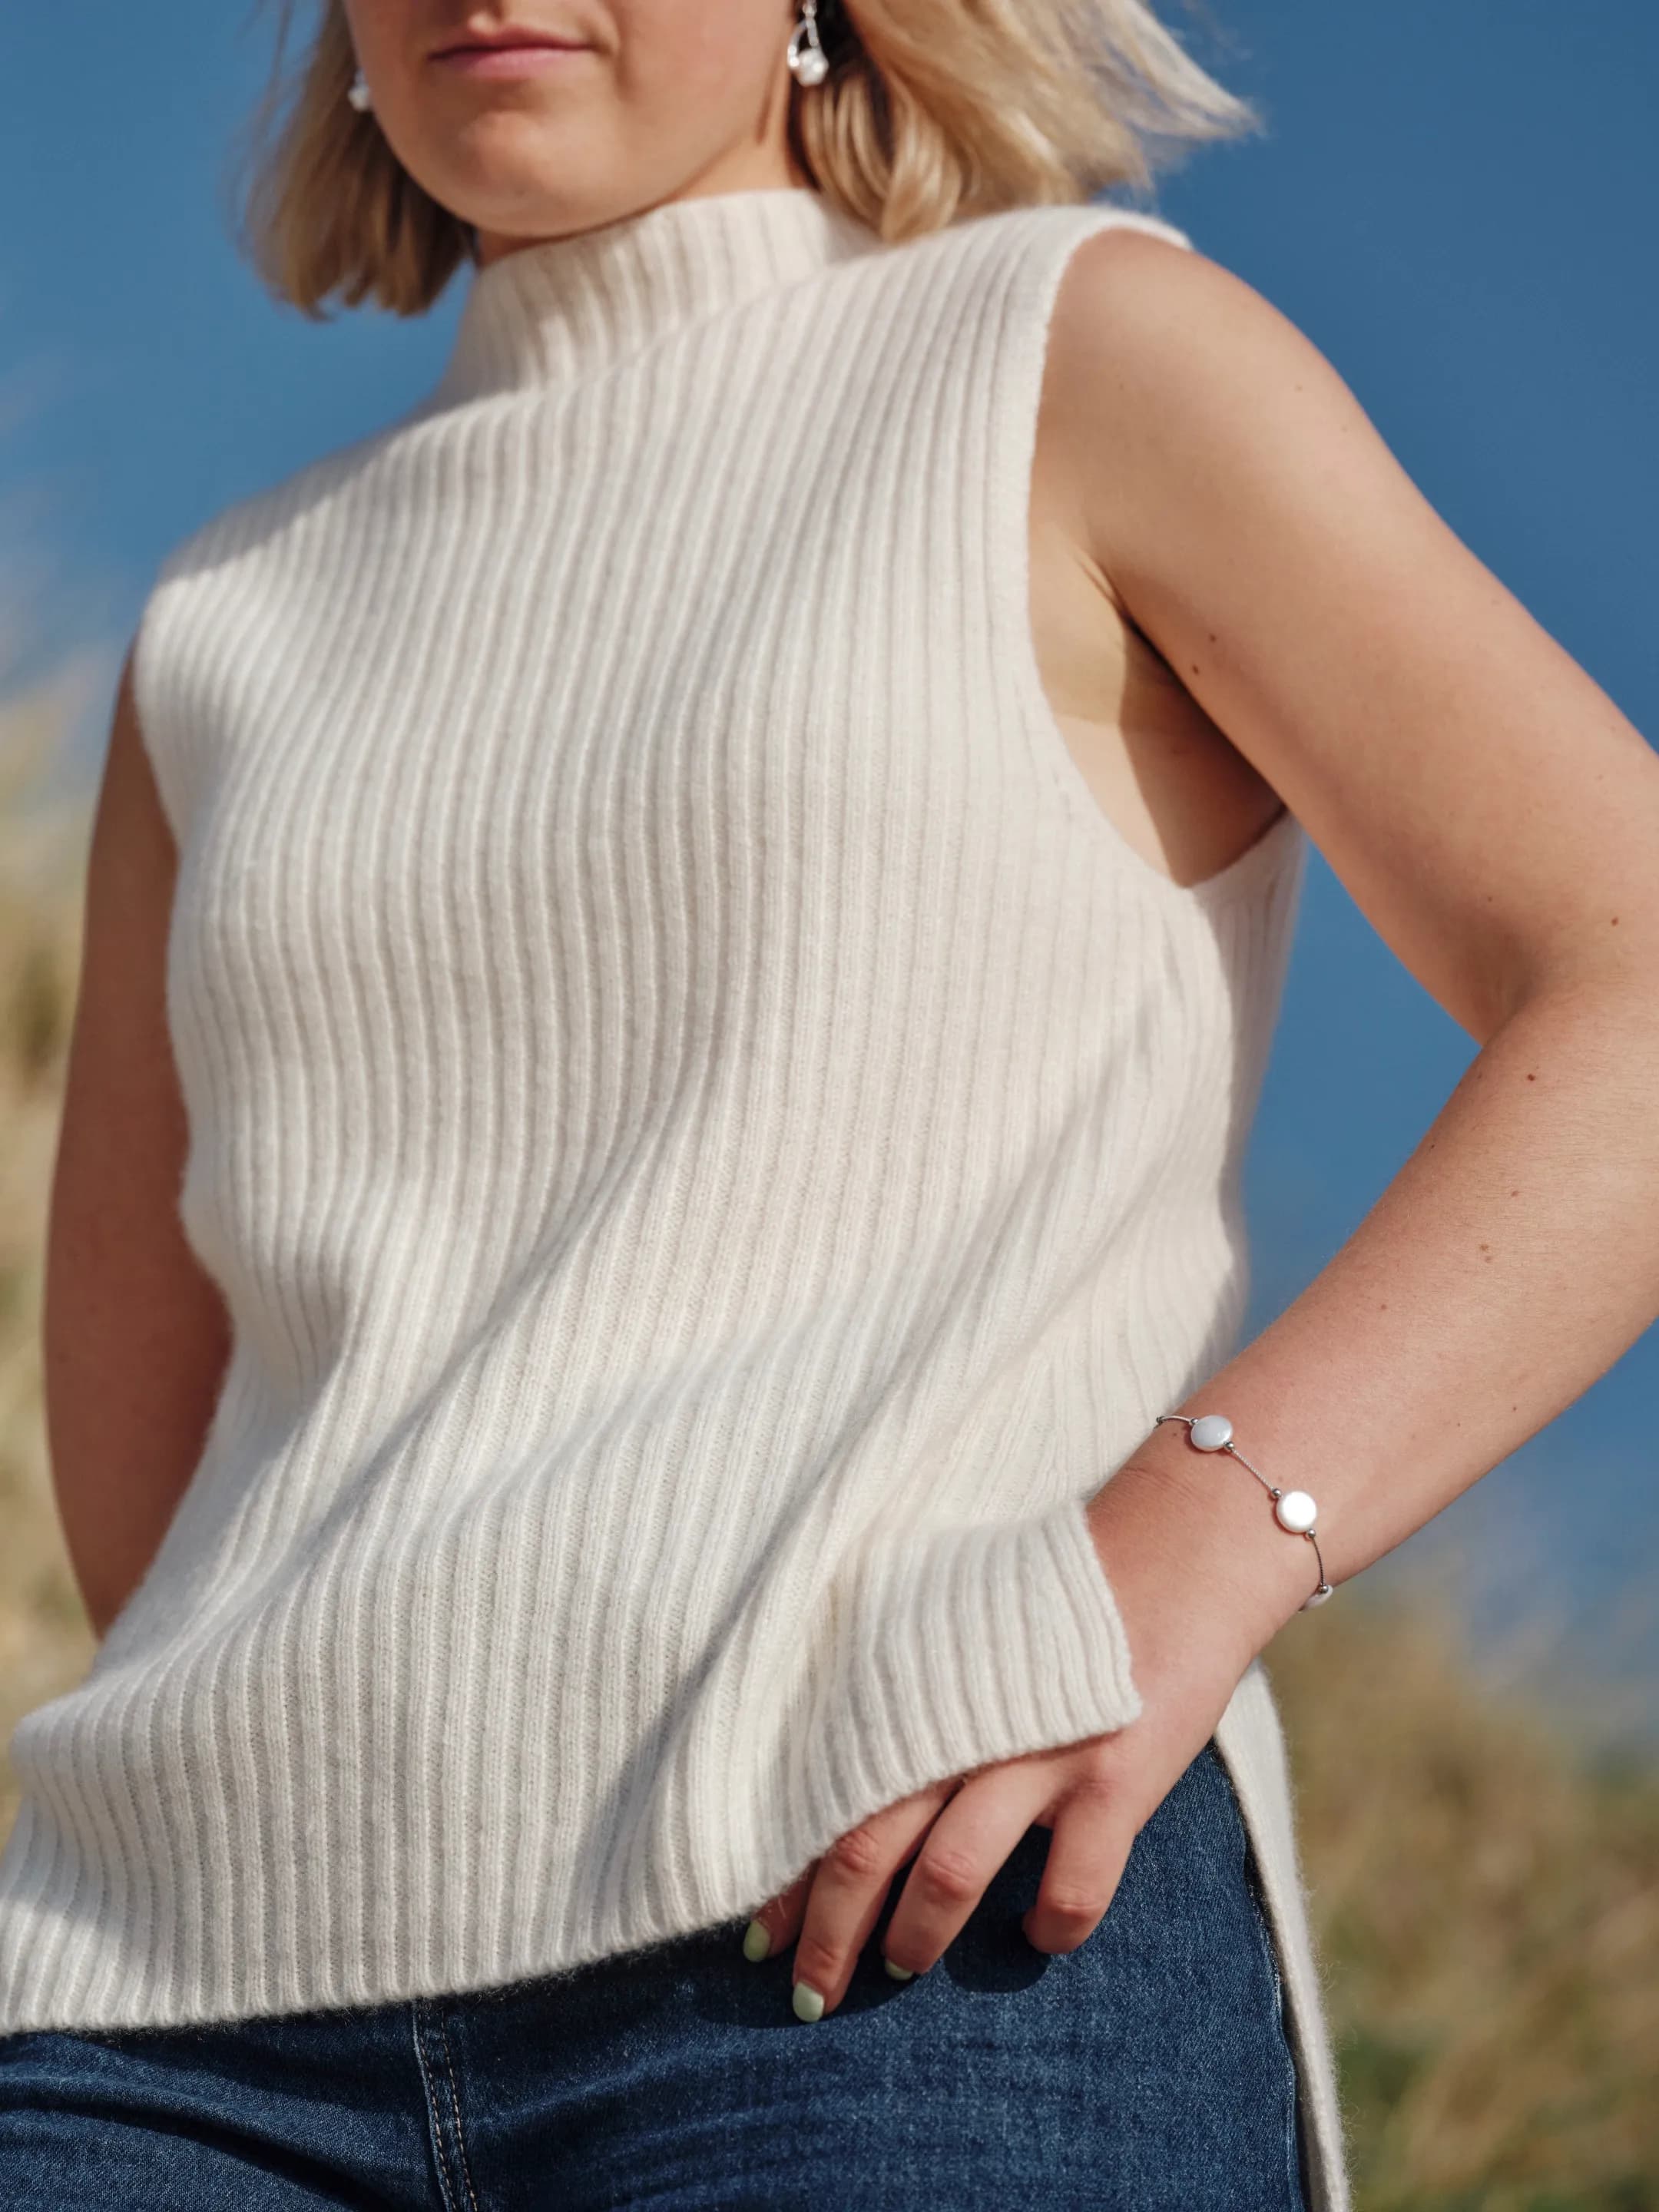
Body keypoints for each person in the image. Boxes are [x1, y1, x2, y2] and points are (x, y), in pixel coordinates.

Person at [1, 2, 1656, 2207]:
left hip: (898, 1937)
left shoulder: (1076, 355)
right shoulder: (228, 620)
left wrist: (1196, 1544)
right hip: (162, 2037)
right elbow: (158, 1437)